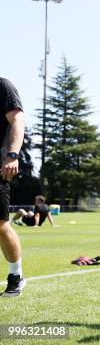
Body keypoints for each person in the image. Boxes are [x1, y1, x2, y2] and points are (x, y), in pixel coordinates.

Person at [0, 77, 26, 297]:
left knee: (0, 224)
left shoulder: (2, 86)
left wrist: (12, 155)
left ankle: (16, 275)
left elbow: (17, 120)